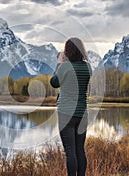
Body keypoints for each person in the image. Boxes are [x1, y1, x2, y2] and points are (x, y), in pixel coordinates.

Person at [50, 37, 91, 176]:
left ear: (67, 51)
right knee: (80, 150)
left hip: (66, 113)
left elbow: (54, 82)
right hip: (82, 114)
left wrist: (59, 63)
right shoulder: (87, 67)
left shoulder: (65, 67)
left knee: (70, 151)